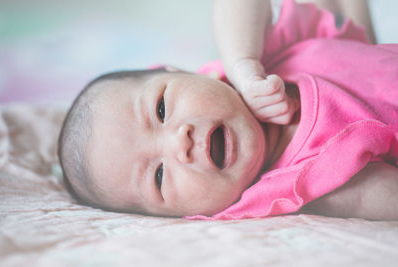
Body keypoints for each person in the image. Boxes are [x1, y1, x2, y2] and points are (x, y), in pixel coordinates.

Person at [58, 0, 398, 221]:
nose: (180, 142)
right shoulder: (292, 186)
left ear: (181, 72)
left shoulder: (259, 64)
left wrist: (243, 65)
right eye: (159, 176)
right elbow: (376, 196)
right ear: (184, 216)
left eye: (161, 109)